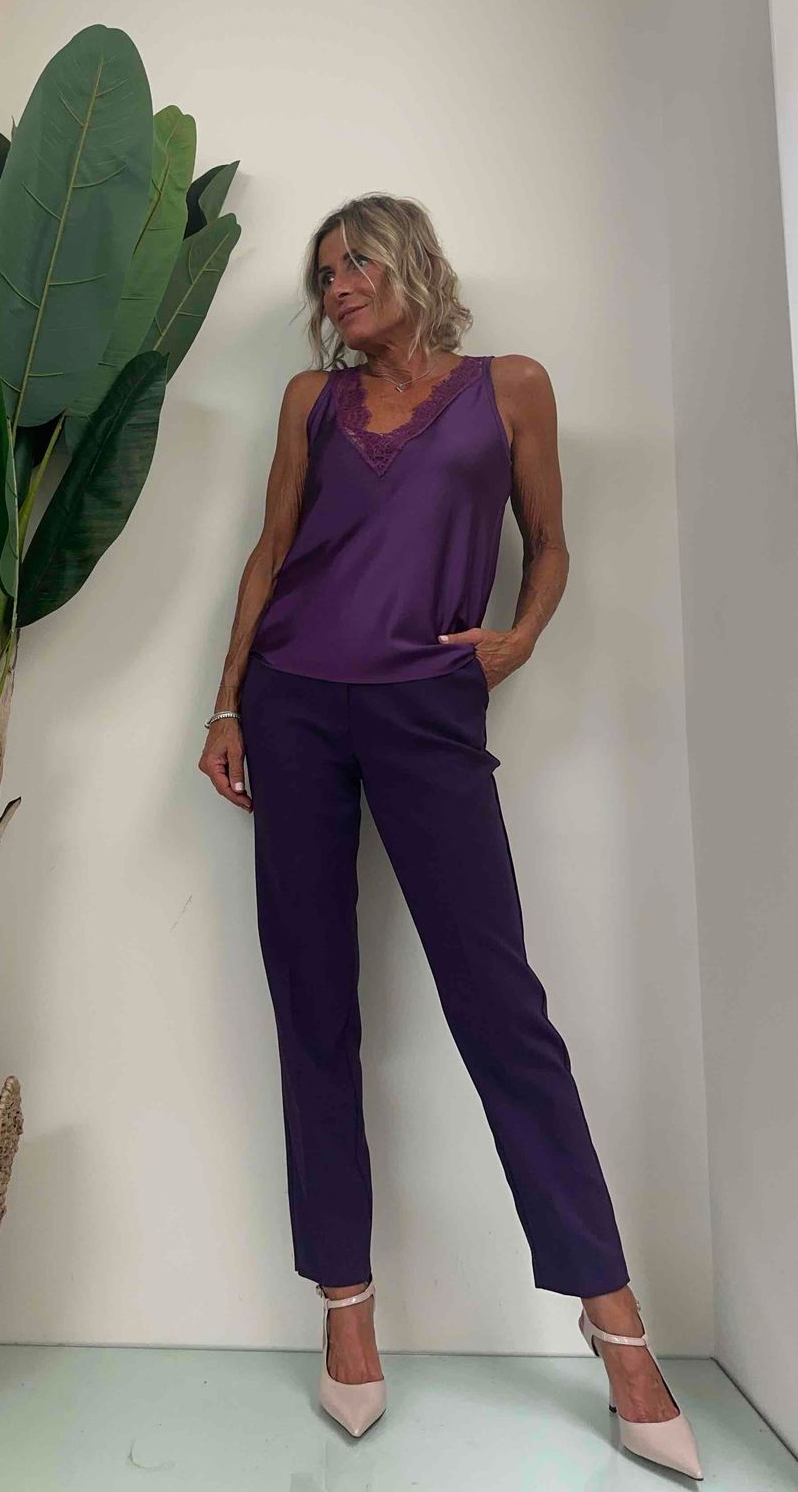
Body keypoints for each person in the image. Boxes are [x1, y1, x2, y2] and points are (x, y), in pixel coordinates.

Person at [198, 194, 703, 1478]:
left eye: (353, 262)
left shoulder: (509, 387)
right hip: (293, 706)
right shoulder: (310, 404)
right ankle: (346, 1310)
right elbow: (269, 552)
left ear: (409, 261)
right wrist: (225, 702)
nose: (335, 287)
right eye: (321, 274)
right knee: (313, 1002)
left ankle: (614, 1325)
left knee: (500, 1009)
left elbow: (551, 543)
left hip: (427, 706)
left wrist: (516, 638)